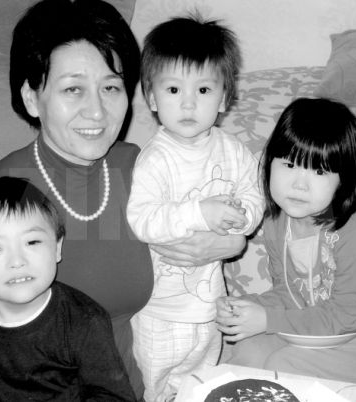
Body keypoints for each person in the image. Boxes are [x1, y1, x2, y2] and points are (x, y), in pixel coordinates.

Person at [0, 1, 246, 401]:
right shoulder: (2, 196)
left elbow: (218, 217)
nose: (96, 111)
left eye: (110, 87)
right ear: (31, 97)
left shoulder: (140, 168)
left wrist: (231, 241)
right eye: (73, 89)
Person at [216, 97, 356, 387]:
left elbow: (345, 316)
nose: (299, 184)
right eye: (289, 164)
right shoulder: (278, 220)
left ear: (345, 178)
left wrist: (268, 319)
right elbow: (289, 292)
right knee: (247, 350)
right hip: (318, 321)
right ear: (269, 163)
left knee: (284, 367)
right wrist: (249, 308)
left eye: (319, 171)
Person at [126, 14, 264, 401]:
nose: (188, 103)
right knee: (155, 388)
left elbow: (254, 194)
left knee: (200, 386)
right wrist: (198, 213)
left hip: (209, 306)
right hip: (160, 311)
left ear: (224, 98)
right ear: (152, 98)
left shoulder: (232, 150)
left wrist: (242, 218)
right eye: (173, 89)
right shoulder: (156, 159)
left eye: (203, 89)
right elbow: (142, 220)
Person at [0, 177, 135, 401]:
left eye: (32, 242)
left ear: (57, 247)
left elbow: (112, 396)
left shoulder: (85, 320)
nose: (17, 261)